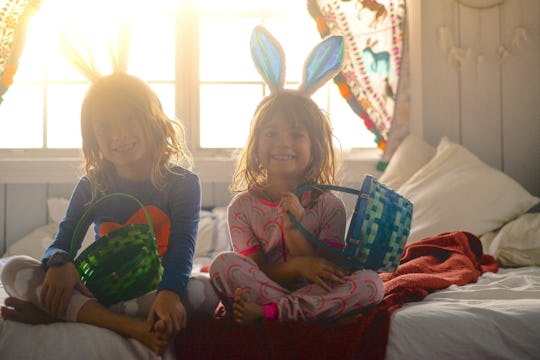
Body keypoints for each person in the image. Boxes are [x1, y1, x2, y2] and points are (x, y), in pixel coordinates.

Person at [0, 73, 202, 355]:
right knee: (12, 269)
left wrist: (169, 294)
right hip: (104, 290)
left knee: (205, 289)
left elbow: (183, 247)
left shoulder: (183, 183)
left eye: (130, 119)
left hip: (157, 292)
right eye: (105, 127)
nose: (119, 134)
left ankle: (66, 313)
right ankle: (130, 326)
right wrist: (60, 263)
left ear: (153, 119)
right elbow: (62, 241)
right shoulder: (92, 186)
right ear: (93, 137)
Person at [209, 90, 384, 324]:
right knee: (222, 264)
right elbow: (258, 270)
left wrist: (294, 231)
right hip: (266, 288)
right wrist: (297, 266)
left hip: (312, 293)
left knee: (371, 284)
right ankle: (314, 316)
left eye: (296, 134)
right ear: (256, 145)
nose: (283, 143)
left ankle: (274, 314)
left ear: (315, 148)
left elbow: (326, 273)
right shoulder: (241, 208)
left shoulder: (330, 206)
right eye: (271, 133)